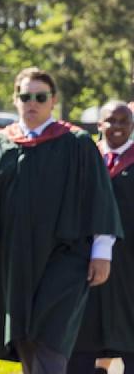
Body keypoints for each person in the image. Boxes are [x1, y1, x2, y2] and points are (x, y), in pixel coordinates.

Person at [0, 67, 122, 373]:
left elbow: (98, 198)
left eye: (40, 96)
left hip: (65, 256)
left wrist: (102, 252)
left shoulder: (76, 143)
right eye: (25, 96)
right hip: (12, 259)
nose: (31, 102)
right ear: (15, 99)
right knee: (24, 336)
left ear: (53, 100)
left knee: (51, 334)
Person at [69, 101, 134, 374]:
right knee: (85, 335)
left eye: (123, 121)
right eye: (111, 121)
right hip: (89, 261)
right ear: (99, 124)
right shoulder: (86, 158)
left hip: (129, 263)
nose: (117, 127)